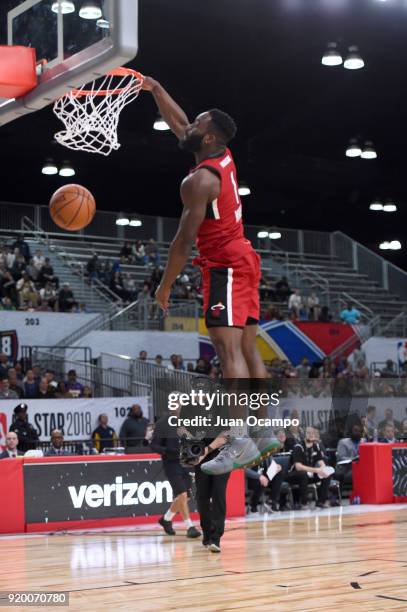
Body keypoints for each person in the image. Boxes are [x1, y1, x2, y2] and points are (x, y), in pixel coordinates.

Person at [142, 75, 279, 474]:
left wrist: (164, 286)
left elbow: (183, 242)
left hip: (224, 266)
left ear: (208, 138)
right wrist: (155, 89)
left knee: (227, 351)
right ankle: (265, 429)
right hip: (244, 258)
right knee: (250, 350)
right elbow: (181, 125)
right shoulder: (218, 154)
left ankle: (238, 439)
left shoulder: (199, 180)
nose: (190, 126)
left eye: (198, 124)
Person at [151, 410, 201, 539]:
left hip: (187, 462)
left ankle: (166, 519)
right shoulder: (162, 423)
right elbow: (154, 446)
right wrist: (168, 451)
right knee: (182, 495)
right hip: (171, 464)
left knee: (186, 497)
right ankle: (189, 526)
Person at [286, 427, 332, 509]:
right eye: (309, 433)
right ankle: (304, 503)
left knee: (327, 474)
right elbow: (298, 467)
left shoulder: (316, 446)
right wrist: (316, 470)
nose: (311, 435)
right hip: (294, 474)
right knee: (303, 474)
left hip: (309, 474)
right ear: (304, 434)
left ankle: (321, 501)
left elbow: (321, 462)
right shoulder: (298, 447)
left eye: (313, 433)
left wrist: (323, 469)